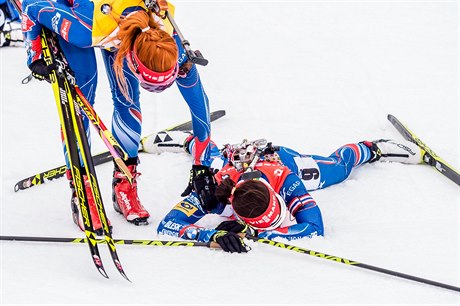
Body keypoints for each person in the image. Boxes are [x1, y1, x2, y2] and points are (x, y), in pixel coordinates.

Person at [21, 0, 214, 234]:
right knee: (83, 90)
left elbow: (199, 105)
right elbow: (32, 9)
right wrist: (35, 54)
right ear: (133, 58)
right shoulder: (84, 29)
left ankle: (125, 184)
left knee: (128, 99)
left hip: (118, 18)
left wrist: (201, 165)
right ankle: (82, 194)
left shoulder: (168, 41)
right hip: (86, 14)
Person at [151, 131, 423, 253]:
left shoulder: (285, 180)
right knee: (208, 160)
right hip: (230, 164)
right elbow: (168, 225)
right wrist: (214, 235)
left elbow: (314, 226)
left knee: (338, 168)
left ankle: (372, 147)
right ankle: (184, 140)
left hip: (281, 161)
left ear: (276, 196)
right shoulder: (215, 197)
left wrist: (260, 232)